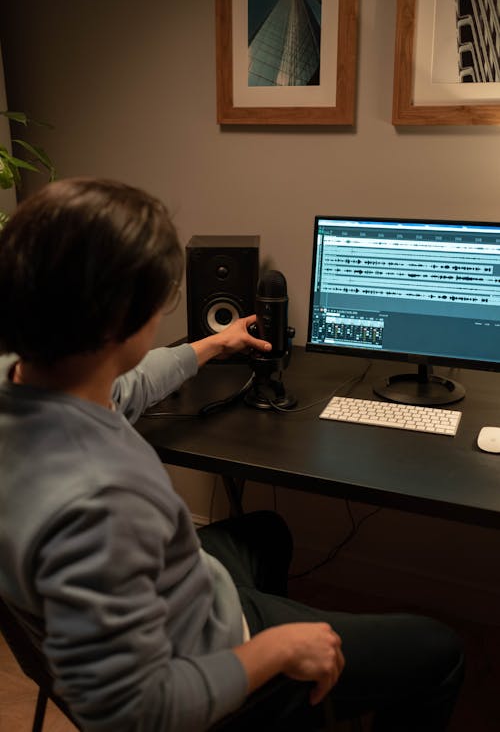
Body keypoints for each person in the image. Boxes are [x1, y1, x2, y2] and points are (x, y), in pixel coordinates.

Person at [0, 178, 464, 732]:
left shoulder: (29, 379)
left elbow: (126, 387)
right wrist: (275, 652)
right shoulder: (103, 501)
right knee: (439, 651)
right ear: (126, 319)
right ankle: (266, 697)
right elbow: (136, 713)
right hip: (199, 662)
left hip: (178, 602)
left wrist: (213, 345)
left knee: (267, 533)